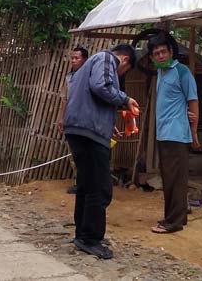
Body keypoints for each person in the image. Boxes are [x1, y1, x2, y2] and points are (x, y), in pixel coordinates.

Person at [63, 43, 138, 260]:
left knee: (86, 184)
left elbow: (89, 95)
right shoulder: (107, 59)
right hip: (88, 133)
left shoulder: (88, 65)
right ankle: (90, 239)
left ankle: (83, 233)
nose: (121, 75)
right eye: (124, 72)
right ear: (124, 60)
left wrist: (107, 122)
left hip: (81, 128)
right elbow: (101, 86)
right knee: (100, 186)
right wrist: (124, 99)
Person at [148, 33, 199, 234]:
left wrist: (194, 133)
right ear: (152, 57)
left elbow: (193, 101)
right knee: (169, 178)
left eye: (163, 52)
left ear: (171, 52)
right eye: (156, 53)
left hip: (176, 133)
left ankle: (173, 222)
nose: (160, 56)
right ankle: (175, 217)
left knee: (176, 179)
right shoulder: (160, 73)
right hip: (164, 133)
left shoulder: (182, 72)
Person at [56, 46, 88, 194]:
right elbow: (65, 99)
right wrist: (61, 117)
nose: (73, 61)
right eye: (72, 58)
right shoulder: (69, 78)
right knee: (73, 153)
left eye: (77, 58)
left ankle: (88, 182)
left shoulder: (90, 77)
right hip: (71, 120)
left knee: (86, 153)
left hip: (86, 122)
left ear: (85, 60)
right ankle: (78, 182)